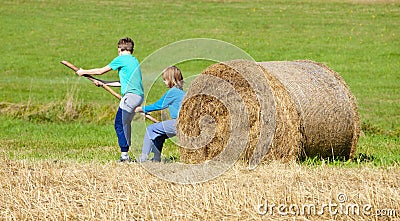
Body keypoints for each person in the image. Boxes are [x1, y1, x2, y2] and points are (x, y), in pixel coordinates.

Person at [76, 37, 144, 162]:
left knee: (119, 123)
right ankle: (126, 151)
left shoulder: (121, 59)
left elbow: (101, 71)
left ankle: (124, 156)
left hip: (129, 97)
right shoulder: (134, 61)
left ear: (120, 49)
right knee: (125, 124)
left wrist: (83, 71)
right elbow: (122, 83)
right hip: (138, 96)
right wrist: (103, 83)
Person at [135, 66, 185, 162]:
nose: (164, 82)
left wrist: (140, 109)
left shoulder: (173, 92)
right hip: (181, 123)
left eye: (165, 80)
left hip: (178, 123)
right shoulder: (180, 92)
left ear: (171, 79)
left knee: (151, 129)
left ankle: (143, 158)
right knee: (159, 134)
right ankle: (156, 159)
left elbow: (158, 105)